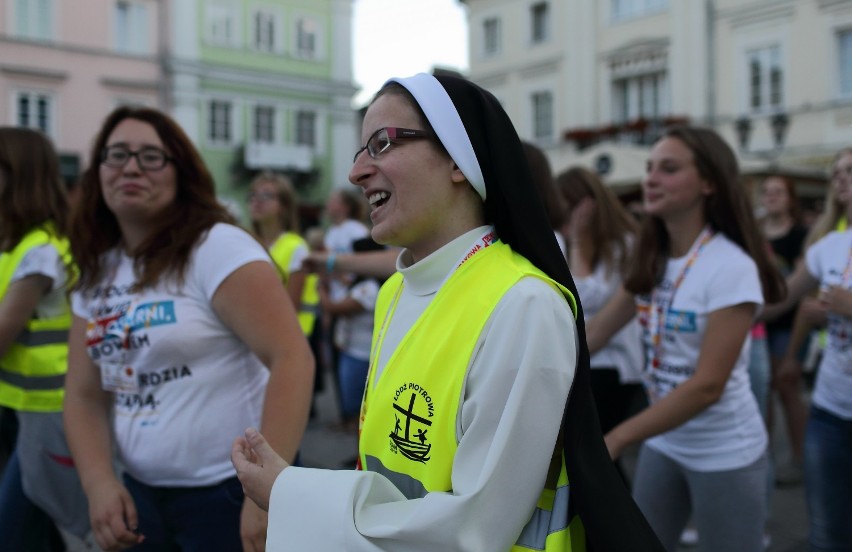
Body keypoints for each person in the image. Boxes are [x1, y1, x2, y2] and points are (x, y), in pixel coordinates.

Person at [232, 72, 663, 551]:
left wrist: (292, 493)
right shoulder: (398, 289)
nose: (356, 173)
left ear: (459, 161)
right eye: (359, 153)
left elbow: (475, 526)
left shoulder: (523, 305)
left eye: (382, 143)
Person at [62, 106, 315, 552]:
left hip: (228, 495)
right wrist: (98, 482)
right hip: (139, 495)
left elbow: (291, 359)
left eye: (151, 156)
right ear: (98, 172)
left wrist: (267, 491)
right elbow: (83, 392)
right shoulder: (98, 268)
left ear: (181, 171)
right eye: (116, 154)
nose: (132, 166)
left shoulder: (216, 247)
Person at [585, 126, 786, 552]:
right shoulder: (652, 257)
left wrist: (617, 438)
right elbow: (596, 333)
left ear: (709, 183)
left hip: (725, 451)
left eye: (669, 169)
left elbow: (707, 386)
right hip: (665, 441)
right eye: (650, 168)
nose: (651, 179)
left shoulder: (731, 266)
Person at [0, 127, 89, 550]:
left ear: (16, 175)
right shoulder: (15, 245)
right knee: (29, 523)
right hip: (17, 403)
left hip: (47, 406)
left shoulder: (41, 251)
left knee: (14, 526)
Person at [762, 147, 852, 551]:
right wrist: (729, 313)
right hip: (830, 409)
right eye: (836, 172)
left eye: (850, 170)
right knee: (826, 533)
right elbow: (783, 299)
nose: (841, 178)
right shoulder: (829, 246)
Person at [555, 167, 647, 467]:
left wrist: (579, 244)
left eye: (572, 209)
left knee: (597, 458)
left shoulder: (623, 244)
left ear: (589, 206)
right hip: (584, 362)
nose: (567, 219)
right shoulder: (566, 243)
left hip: (614, 366)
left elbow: (584, 298)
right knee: (593, 459)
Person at [758, 174, 809, 479]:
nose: (772, 196)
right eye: (767, 191)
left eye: (779, 191)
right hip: (759, 326)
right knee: (763, 392)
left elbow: (803, 287)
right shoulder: (754, 233)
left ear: (790, 198)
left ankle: (801, 460)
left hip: (788, 324)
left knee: (788, 388)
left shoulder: (801, 234)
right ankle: (766, 460)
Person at [318, 236, 385, 435]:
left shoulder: (368, 288)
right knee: (357, 409)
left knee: (360, 412)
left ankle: (360, 456)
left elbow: (335, 307)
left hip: (360, 355)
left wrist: (321, 289)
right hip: (355, 352)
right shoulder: (363, 284)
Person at [248, 171, 319, 337]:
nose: (256, 201)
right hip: (257, 335)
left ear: (284, 206)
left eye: (266, 195)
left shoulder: (296, 246)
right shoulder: (247, 242)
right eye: (253, 195)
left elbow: (290, 307)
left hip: (289, 337)